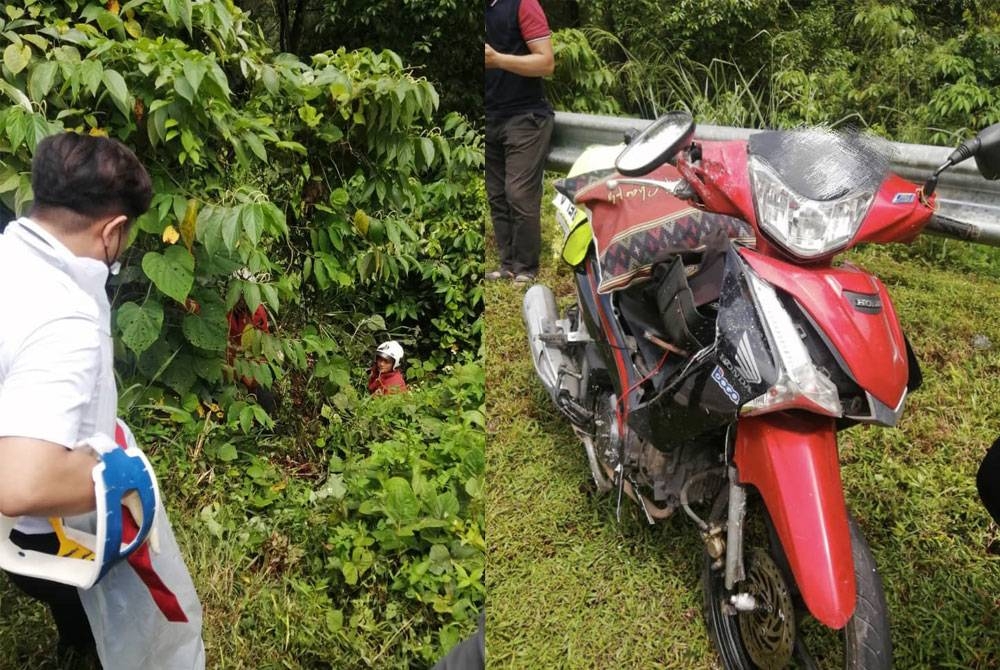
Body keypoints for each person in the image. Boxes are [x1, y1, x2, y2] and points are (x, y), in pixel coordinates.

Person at [0, 132, 151, 665]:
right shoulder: (66, 317)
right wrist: (128, 481)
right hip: (45, 537)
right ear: (112, 230)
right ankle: (85, 648)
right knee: (99, 612)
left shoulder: (10, 258)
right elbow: (23, 484)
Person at [485, 0, 555, 284]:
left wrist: (498, 59)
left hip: (525, 116)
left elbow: (546, 63)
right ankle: (508, 265)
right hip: (490, 115)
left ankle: (526, 267)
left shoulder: (522, 4)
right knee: (497, 195)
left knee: (518, 194)